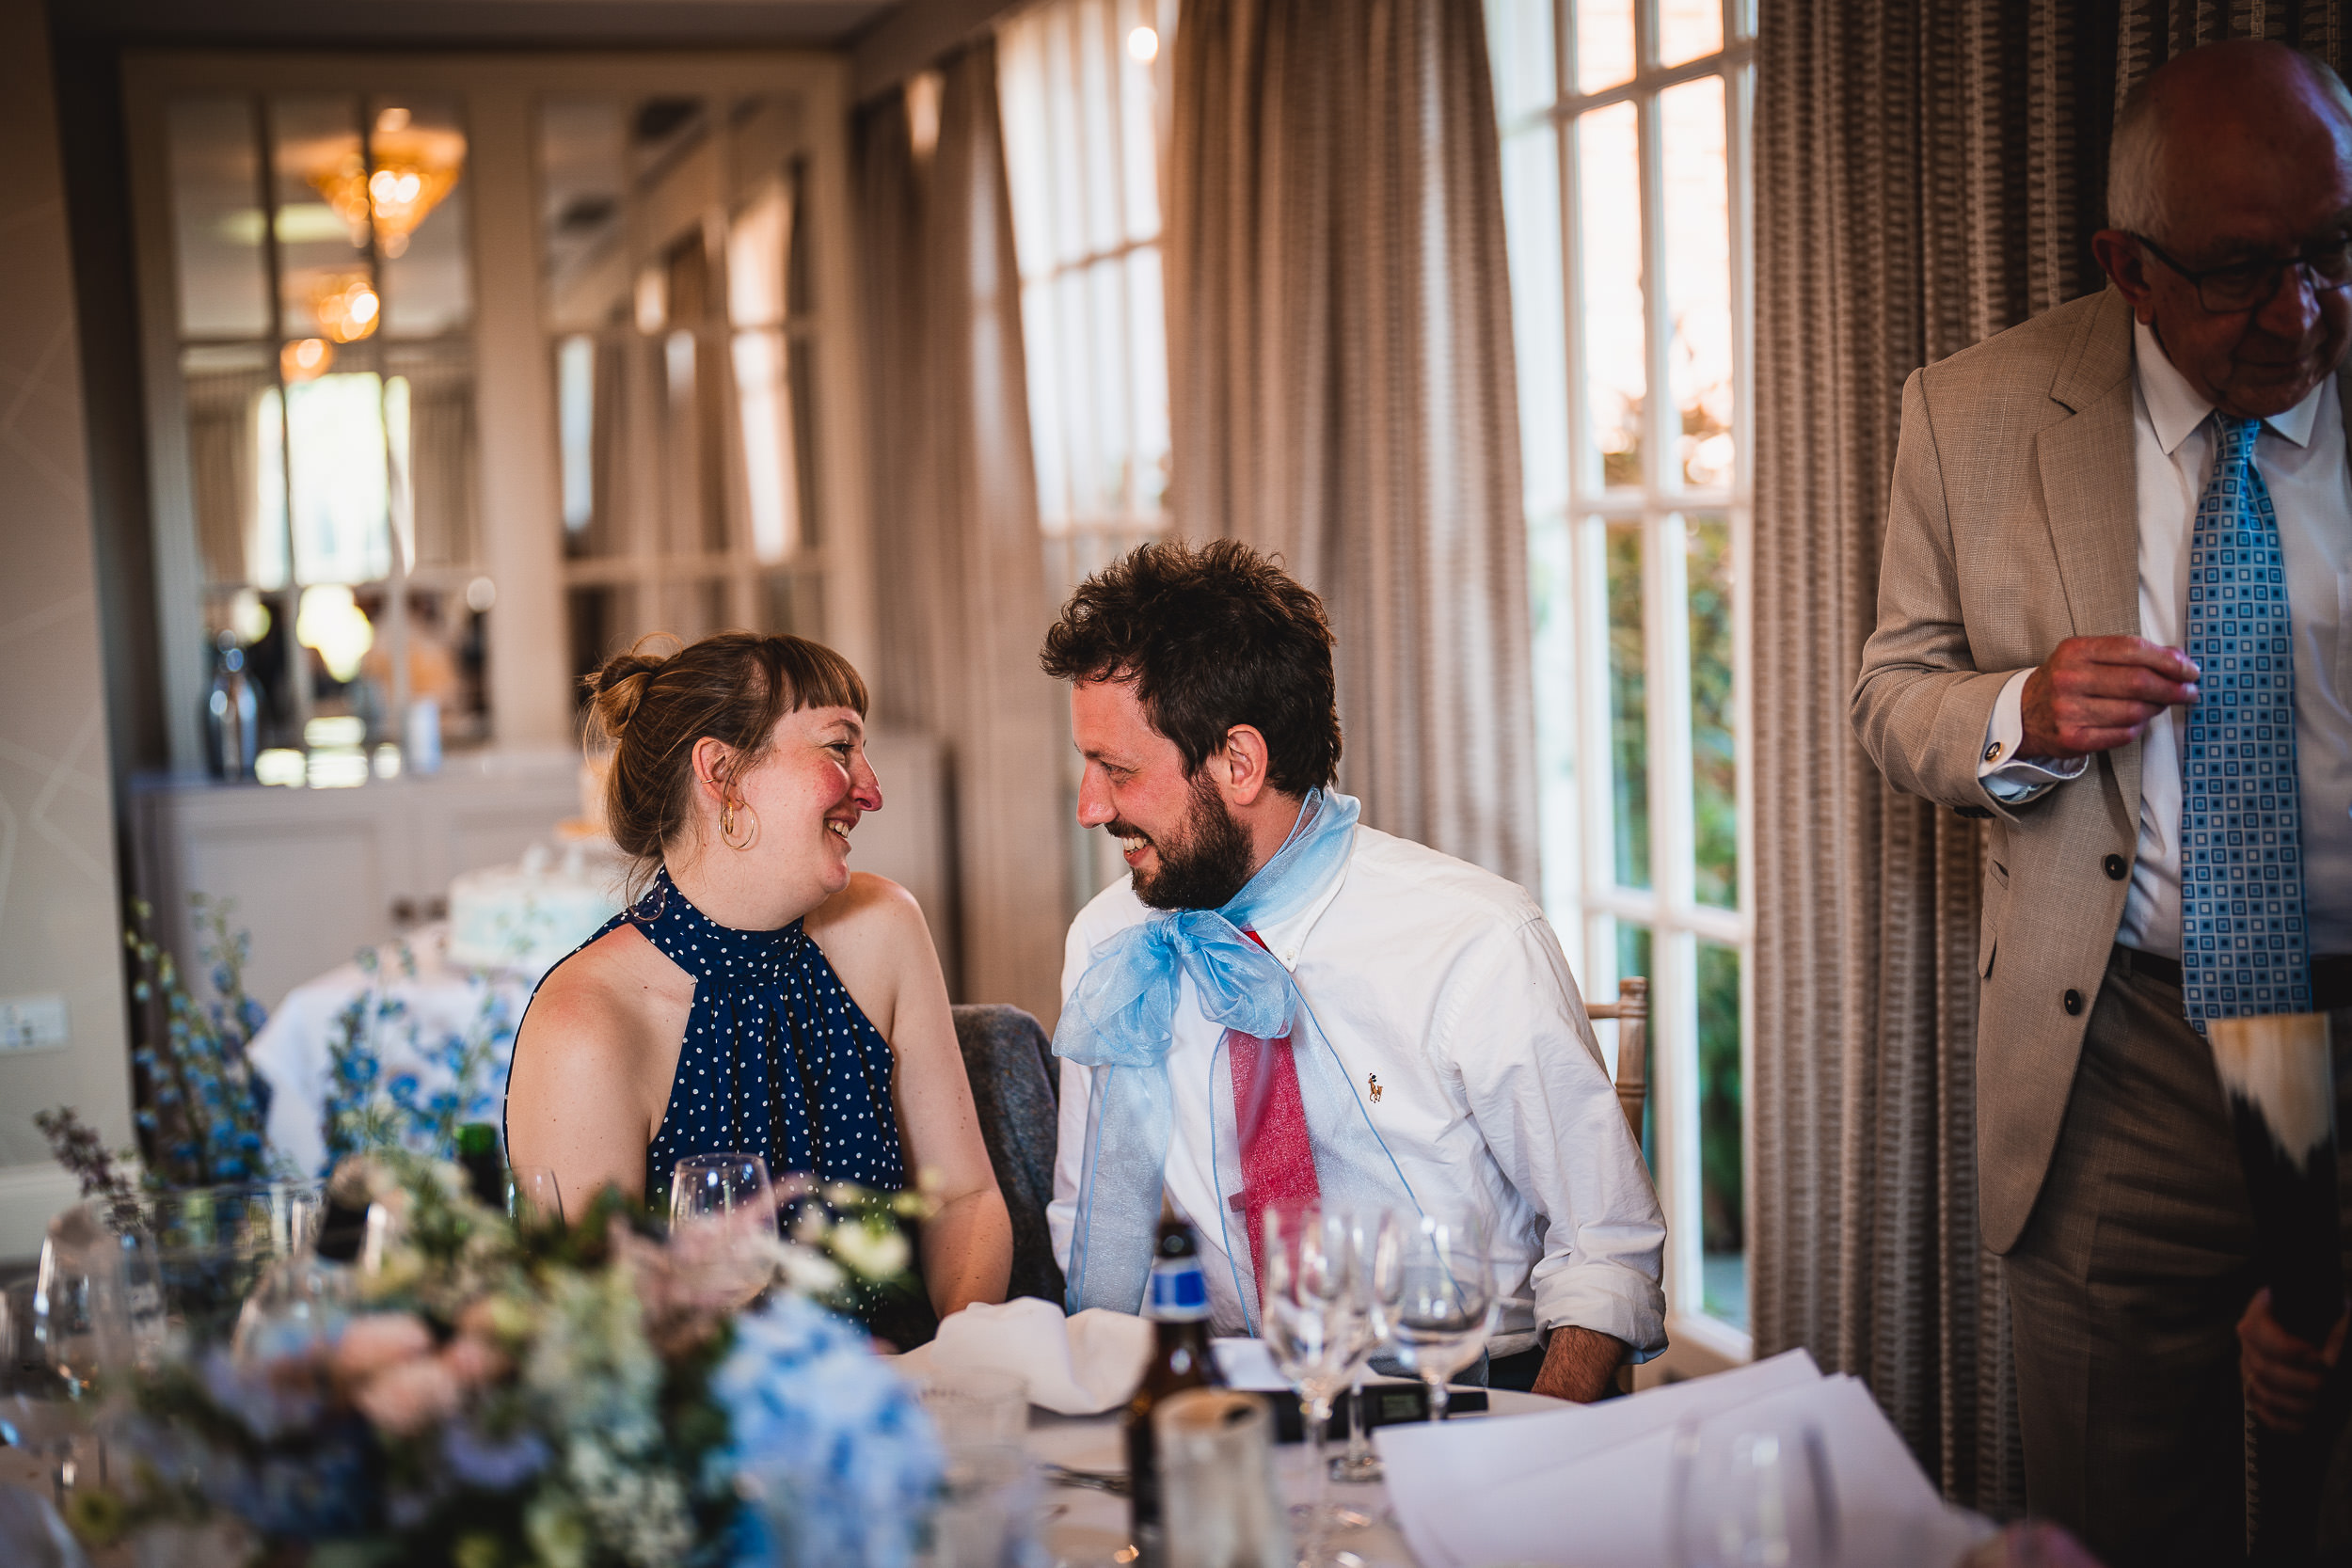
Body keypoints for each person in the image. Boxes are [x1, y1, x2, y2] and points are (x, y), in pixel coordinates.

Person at [1851, 40, 2352, 1564]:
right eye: (2241, 270)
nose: (2303, 308)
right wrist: (2021, 710)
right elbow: (1891, 698)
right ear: (2124, 267)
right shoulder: (1972, 411)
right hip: (2116, 1060)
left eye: (2333, 249)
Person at [1041, 540, 1665, 1402]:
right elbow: (1088, 1226)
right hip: (1209, 1402)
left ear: (1239, 762)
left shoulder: (1474, 940)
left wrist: (1534, 1447)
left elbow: (1607, 1243)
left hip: (1469, 1394)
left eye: (1117, 769)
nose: (1089, 807)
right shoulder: (1108, 942)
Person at [504, 632, 1011, 1332]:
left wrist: (960, 1353)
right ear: (722, 773)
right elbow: (598, 1337)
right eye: (840, 747)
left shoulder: (884, 928)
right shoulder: (588, 1024)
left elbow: (965, 1198)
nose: (872, 789)